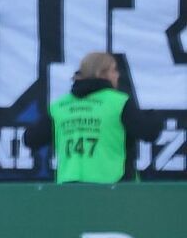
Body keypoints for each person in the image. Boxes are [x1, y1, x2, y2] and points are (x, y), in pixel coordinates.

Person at [24, 51, 161, 183]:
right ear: (102, 73)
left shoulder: (60, 106)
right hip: (114, 186)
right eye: (114, 70)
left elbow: (30, 139)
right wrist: (153, 116)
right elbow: (149, 132)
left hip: (69, 186)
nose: (117, 75)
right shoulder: (118, 102)